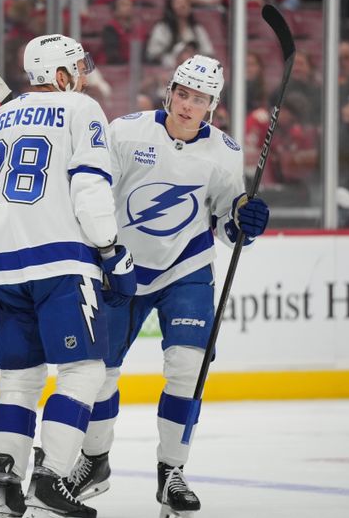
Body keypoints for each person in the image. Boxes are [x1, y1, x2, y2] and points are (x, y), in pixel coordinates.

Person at [62, 55, 270, 518]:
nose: (188, 105)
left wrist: (244, 223)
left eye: (199, 99)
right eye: (183, 94)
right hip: (122, 267)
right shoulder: (126, 131)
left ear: (211, 106)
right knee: (99, 371)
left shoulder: (226, 151)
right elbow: (94, 192)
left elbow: (224, 222)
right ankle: (94, 461)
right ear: (170, 92)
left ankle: (171, 472)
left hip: (186, 268)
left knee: (188, 367)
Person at [0, 34, 137, 518]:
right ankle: (50, 477)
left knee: (18, 380)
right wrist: (112, 250)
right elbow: (89, 184)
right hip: (60, 260)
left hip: (4, 266)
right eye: (76, 66)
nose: (82, 74)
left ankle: (3, 482)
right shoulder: (81, 107)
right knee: (85, 371)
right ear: (59, 74)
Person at [146, 0, 215, 67]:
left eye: (185, 2)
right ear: (170, 7)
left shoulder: (197, 29)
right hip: (167, 69)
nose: (182, 5)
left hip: (194, 70)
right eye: (178, 3)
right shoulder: (162, 28)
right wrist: (175, 59)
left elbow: (208, 53)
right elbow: (152, 53)